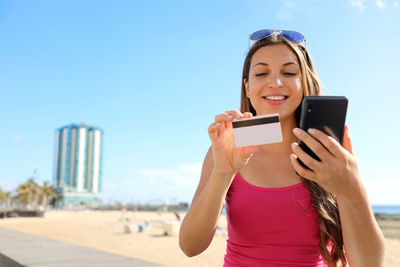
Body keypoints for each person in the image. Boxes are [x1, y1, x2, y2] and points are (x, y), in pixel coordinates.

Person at [179, 29, 385, 266]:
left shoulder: (327, 153)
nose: (275, 83)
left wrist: (351, 188)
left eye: (288, 72)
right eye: (261, 73)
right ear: (247, 87)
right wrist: (221, 174)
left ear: (304, 82)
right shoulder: (229, 147)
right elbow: (190, 246)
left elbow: (370, 263)